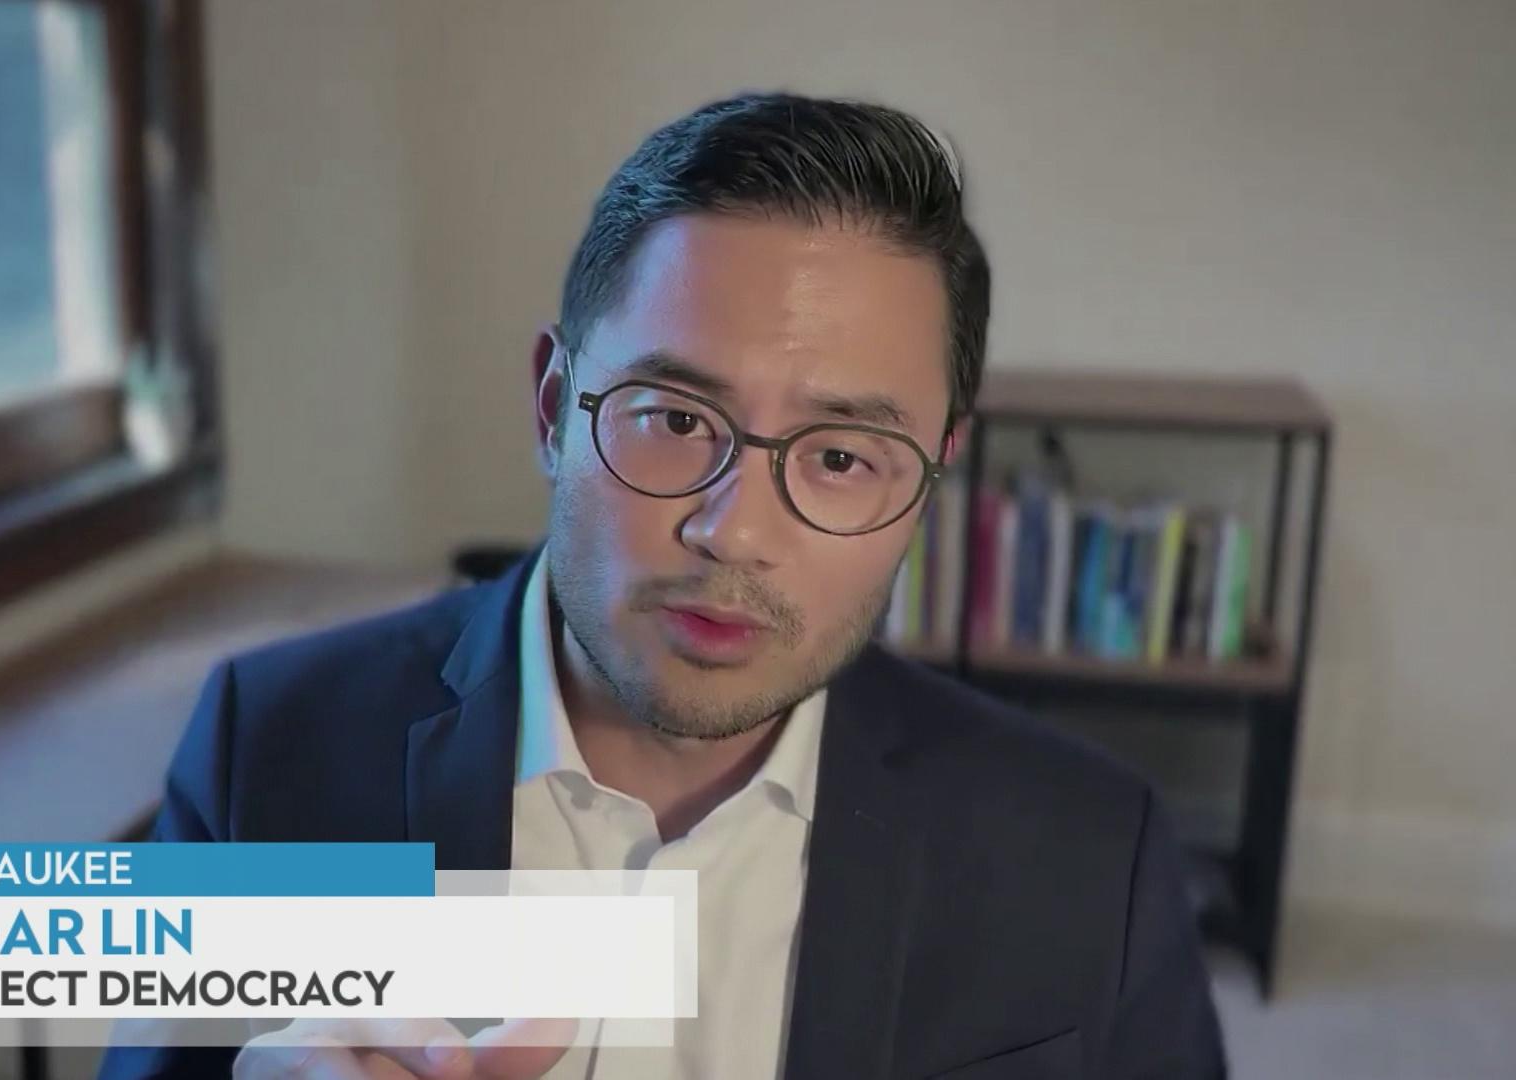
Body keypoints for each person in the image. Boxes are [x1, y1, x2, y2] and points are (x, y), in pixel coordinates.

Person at [100, 90, 1225, 1080]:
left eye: (840, 457)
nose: (734, 532)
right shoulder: (273, 752)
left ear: (933, 476)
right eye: (676, 420)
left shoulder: (1085, 850)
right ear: (552, 407)